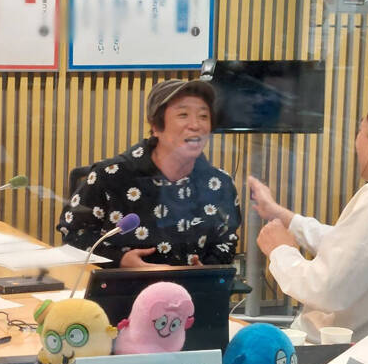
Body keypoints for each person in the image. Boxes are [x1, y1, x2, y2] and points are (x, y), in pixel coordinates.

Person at [250, 85, 368, 342]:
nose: (357, 142)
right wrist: (280, 214)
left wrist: (281, 251)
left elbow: (326, 289)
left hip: (329, 350)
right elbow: (352, 246)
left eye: (360, 130)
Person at [58, 79, 241, 268]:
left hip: (194, 286)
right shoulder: (110, 176)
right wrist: (120, 260)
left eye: (203, 116)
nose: (195, 125)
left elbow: (226, 241)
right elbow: (73, 235)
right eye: (183, 115)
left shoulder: (219, 183)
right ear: (155, 126)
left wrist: (206, 269)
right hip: (123, 283)